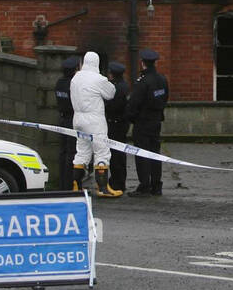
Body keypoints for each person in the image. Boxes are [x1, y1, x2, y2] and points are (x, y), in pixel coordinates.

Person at [70, 50, 120, 197]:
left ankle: (76, 186)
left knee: (82, 152)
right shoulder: (99, 79)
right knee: (102, 152)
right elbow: (111, 94)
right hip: (94, 120)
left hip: (78, 119)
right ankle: (103, 188)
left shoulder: (75, 78)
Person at [127, 48, 169, 196]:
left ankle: (144, 185)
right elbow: (164, 98)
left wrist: (132, 118)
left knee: (142, 154)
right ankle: (157, 185)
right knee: (155, 153)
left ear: (142, 63)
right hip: (156, 121)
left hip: (142, 123)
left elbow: (133, 104)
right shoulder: (162, 79)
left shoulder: (143, 82)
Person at [105, 60, 130, 195]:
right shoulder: (124, 86)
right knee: (120, 154)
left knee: (115, 156)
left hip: (115, 124)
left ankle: (117, 182)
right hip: (122, 123)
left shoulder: (115, 88)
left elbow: (113, 106)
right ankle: (120, 181)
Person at [54, 55, 78, 191]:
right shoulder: (72, 85)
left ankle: (62, 184)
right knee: (71, 153)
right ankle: (69, 185)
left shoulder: (59, 83)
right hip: (71, 120)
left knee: (63, 152)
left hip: (62, 119)